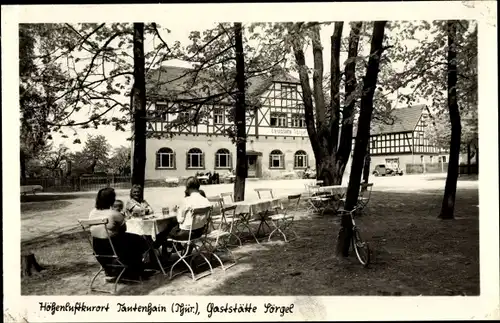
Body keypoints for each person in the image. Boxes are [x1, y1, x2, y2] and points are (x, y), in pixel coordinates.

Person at [88, 187, 149, 280]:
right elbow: (124, 229)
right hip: (113, 248)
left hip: (97, 247)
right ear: (112, 200)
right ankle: (135, 271)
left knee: (132, 240)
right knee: (139, 240)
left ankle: (119, 269)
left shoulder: (92, 212)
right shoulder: (115, 214)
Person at [157, 177, 212, 260]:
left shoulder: (186, 200)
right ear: (198, 186)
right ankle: (183, 253)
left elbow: (180, 220)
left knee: (165, 233)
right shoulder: (206, 201)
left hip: (186, 234)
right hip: (199, 232)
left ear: (187, 187)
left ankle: (164, 258)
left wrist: (179, 212)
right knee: (171, 228)